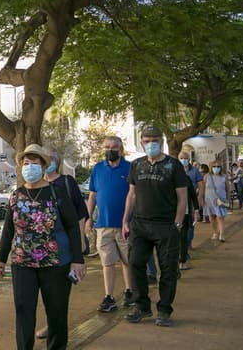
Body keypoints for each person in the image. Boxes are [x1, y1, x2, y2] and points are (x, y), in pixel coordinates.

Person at [0, 144, 85, 350]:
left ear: (44, 166)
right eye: (26, 163)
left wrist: (78, 260)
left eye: (35, 163)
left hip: (55, 263)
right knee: (24, 312)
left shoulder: (57, 193)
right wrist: (0, 259)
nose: (30, 168)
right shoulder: (16, 196)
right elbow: (8, 230)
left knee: (56, 310)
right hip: (22, 262)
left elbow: (72, 228)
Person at [121, 125, 189, 327]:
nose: (151, 143)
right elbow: (131, 194)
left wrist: (177, 224)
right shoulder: (137, 165)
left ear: (161, 142)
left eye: (155, 140)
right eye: (147, 140)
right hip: (140, 225)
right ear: (141, 141)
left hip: (166, 225)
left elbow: (182, 198)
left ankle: (164, 310)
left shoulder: (173, 165)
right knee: (135, 263)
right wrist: (126, 219)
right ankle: (142, 306)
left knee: (167, 269)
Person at [34, 145, 90, 339]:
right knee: (47, 292)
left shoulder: (67, 182)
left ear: (56, 161)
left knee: (60, 293)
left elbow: (80, 214)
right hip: (43, 250)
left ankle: (57, 330)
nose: (47, 162)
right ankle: (52, 325)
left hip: (65, 246)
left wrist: (80, 241)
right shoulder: (36, 185)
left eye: (50, 158)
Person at [85, 135, 134, 312]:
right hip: (103, 225)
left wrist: (128, 219)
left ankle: (130, 291)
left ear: (120, 149)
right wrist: (89, 217)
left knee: (128, 260)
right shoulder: (98, 169)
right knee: (107, 262)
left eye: (113, 147)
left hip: (125, 225)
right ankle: (109, 296)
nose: (110, 150)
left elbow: (134, 194)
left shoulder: (129, 168)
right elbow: (93, 195)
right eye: (107, 147)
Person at [177, 151, 202, 270]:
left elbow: (192, 194)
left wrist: (196, 209)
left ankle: (182, 259)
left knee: (183, 236)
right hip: (171, 213)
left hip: (185, 212)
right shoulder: (169, 178)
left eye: (185, 158)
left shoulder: (187, 178)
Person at [204, 160, 230, 242]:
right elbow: (203, 187)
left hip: (220, 199)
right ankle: (215, 232)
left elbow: (227, 189)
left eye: (218, 166)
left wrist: (227, 199)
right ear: (211, 168)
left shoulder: (224, 177)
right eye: (214, 166)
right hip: (209, 200)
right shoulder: (206, 176)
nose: (216, 168)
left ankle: (222, 234)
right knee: (212, 217)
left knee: (220, 217)